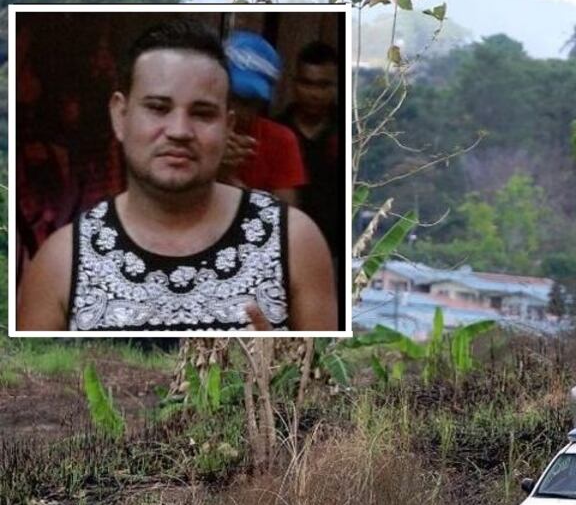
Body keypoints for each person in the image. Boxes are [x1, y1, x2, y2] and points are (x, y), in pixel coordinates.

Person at [16, 19, 336, 332]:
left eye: (202, 113)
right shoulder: (63, 260)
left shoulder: (293, 243)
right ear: (120, 115)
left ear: (228, 126)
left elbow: (330, 380)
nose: (179, 131)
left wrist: (282, 374)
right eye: (157, 108)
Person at [278, 40, 344, 326]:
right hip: (289, 251)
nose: (315, 94)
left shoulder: (349, 132)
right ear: (295, 84)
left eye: (324, 85)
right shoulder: (277, 132)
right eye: (308, 83)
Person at [220, 30, 307, 207]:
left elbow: (286, 220)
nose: (234, 111)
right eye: (230, 97)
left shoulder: (280, 140)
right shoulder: (187, 131)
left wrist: (227, 178)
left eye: (247, 102)